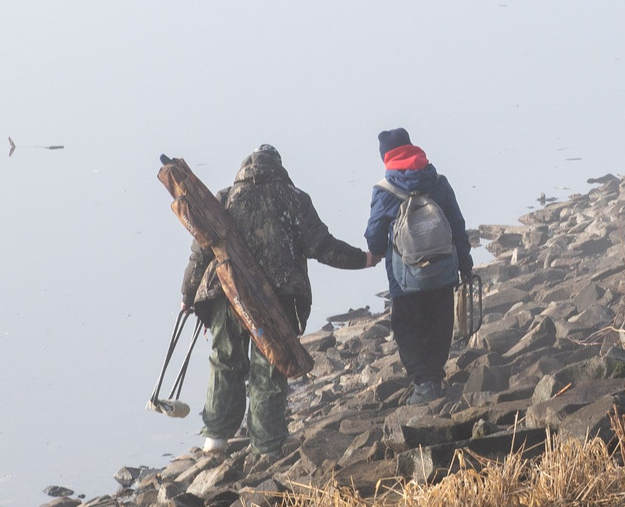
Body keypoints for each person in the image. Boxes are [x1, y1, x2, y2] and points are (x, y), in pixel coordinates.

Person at [180, 144, 369, 461]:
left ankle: (215, 440)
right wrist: (363, 259)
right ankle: (267, 446)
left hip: (226, 293)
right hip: (278, 299)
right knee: (269, 366)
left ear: (243, 170)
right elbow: (322, 247)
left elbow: (201, 250)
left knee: (224, 361)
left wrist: (187, 295)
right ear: (278, 168)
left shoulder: (224, 197)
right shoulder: (294, 198)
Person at [363, 127, 473, 403]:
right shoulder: (437, 181)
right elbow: (457, 225)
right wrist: (466, 264)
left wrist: (374, 253)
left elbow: (375, 235)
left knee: (407, 328)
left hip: (405, 280)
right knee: (440, 323)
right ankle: (434, 378)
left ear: (386, 157)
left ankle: (424, 384)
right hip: (443, 271)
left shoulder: (385, 190)